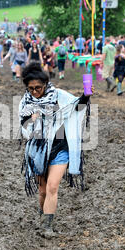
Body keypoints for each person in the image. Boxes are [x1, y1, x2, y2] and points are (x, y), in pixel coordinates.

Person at [18, 62, 93, 238]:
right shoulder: (26, 101)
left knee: (52, 187)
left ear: (46, 84)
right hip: (37, 150)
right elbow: (23, 127)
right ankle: (43, 213)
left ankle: (47, 226)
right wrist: (32, 120)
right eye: (31, 88)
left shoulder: (59, 95)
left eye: (38, 88)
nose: (35, 92)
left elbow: (77, 106)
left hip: (60, 148)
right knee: (43, 191)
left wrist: (86, 95)